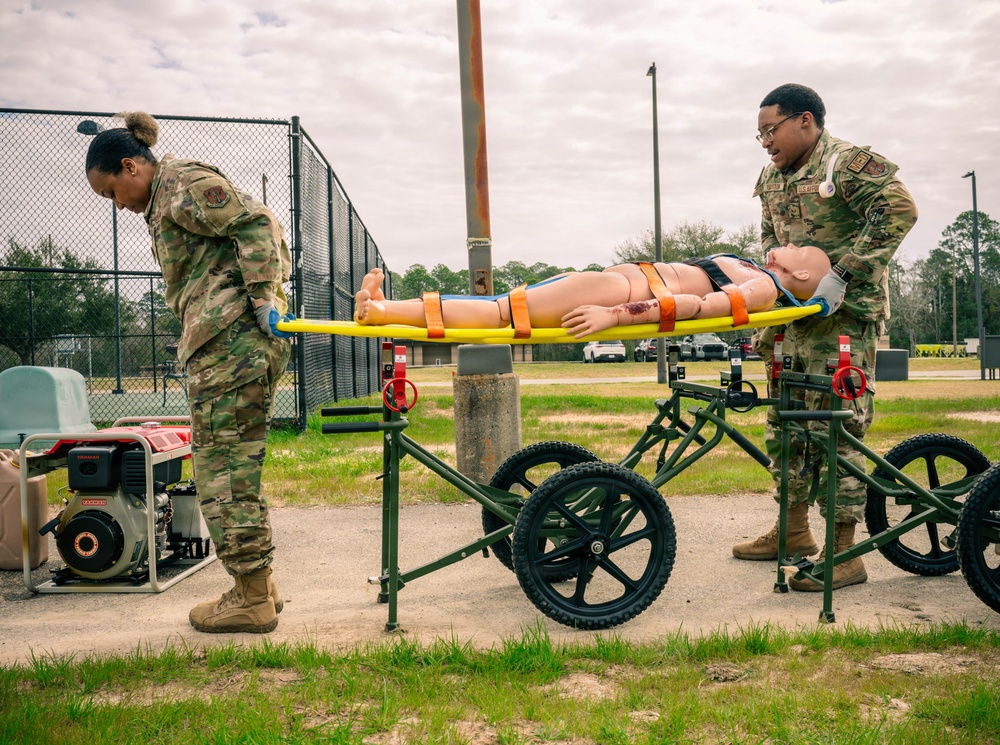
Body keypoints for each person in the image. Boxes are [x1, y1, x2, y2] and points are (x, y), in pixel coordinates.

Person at [85, 112, 294, 632]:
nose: (117, 204)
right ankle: (260, 586)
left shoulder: (181, 185)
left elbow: (258, 222)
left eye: (113, 191)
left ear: (131, 166)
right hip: (225, 346)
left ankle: (251, 598)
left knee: (221, 473)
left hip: (231, 345)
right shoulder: (166, 198)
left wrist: (264, 297)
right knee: (233, 468)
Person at [732, 84, 918, 591]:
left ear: (806, 121)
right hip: (790, 322)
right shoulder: (771, 176)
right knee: (786, 424)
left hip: (842, 321)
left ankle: (846, 552)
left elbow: (899, 212)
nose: (765, 142)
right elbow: (769, 236)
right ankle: (793, 531)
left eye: (772, 130)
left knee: (837, 430)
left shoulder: (847, 164)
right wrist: (772, 283)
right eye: (760, 133)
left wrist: (844, 272)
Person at [354, 245, 832, 338]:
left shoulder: (764, 288)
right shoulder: (757, 272)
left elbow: (692, 307)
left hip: (622, 291)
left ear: (805, 276)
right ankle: (382, 309)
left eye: (798, 250)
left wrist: (618, 316)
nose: (784, 245)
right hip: (619, 283)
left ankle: (381, 311)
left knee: (503, 312)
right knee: (503, 308)